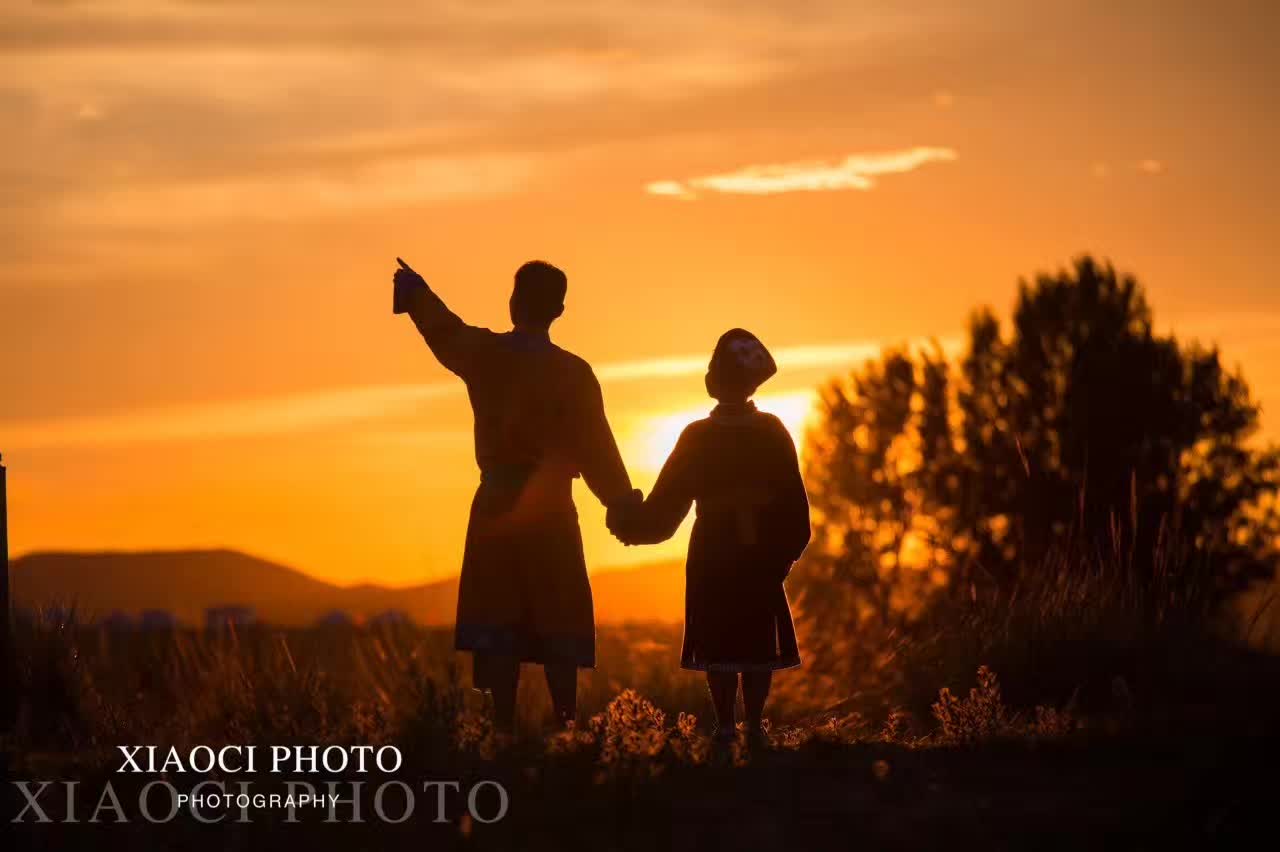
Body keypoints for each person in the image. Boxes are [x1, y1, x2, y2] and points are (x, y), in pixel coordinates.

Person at [393, 258, 638, 732]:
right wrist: (624, 507)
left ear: (513, 302)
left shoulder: (486, 354)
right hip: (553, 510)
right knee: (558, 614)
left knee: (496, 618)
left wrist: (417, 292)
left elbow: (444, 331)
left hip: (497, 505)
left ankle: (499, 730)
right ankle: (567, 726)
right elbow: (598, 450)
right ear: (560, 310)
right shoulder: (575, 373)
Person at [607, 329, 810, 744]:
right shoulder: (771, 431)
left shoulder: (699, 436)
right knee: (750, 644)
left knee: (726, 643)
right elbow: (795, 507)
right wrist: (783, 556)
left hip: (720, 552)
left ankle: (730, 728)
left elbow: (665, 508)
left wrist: (631, 523)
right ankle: (745, 728)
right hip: (757, 553)